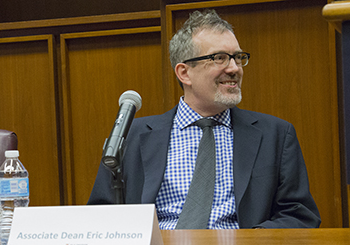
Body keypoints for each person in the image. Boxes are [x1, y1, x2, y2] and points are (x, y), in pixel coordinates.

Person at [88, 9, 321, 229]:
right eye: (220, 58)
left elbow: (299, 215)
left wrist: (249, 240)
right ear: (184, 73)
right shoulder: (132, 135)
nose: (234, 68)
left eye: (238, 58)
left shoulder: (276, 135)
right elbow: (100, 214)